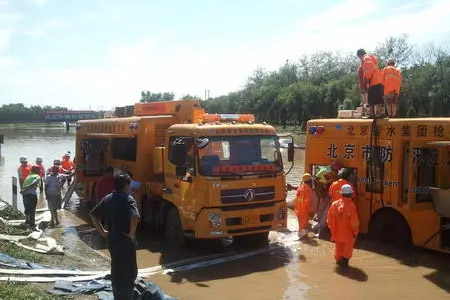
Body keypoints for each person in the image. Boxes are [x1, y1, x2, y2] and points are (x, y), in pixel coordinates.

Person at [90, 173, 140, 300]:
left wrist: (102, 232)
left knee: (116, 271)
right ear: (126, 185)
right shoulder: (128, 199)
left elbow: (93, 215)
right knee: (129, 274)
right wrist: (131, 234)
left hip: (112, 242)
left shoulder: (107, 198)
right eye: (130, 184)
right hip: (126, 242)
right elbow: (134, 217)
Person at [327, 184, 360, 267]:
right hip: (347, 235)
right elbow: (354, 223)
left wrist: (333, 230)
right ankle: (345, 269)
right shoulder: (351, 206)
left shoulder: (334, 204)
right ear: (351, 194)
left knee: (338, 253)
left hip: (337, 235)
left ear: (341, 194)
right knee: (346, 254)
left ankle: (339, 269)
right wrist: (355, 233)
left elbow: (329, 220)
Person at [357, 49, 384, 118]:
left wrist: (368, 79)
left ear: (360, 55)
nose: (360, 59)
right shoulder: (372, 57)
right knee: (378, 99)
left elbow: (369, 69)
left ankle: (371, 114)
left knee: (371, 99)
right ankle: (380, 114)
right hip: (378, 79)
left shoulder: (366, 58)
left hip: (373, 80)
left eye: (359, 57)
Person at [294, 173, 313, 239]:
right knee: (304, 226)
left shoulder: (300, 186)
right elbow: (308, 202)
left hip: (298, 209)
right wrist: (310, 212)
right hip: (304, 210)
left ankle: (300, 236)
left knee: (301, 225)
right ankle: (303, 238)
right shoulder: (308, 190)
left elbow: (297, 195)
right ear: (309, 181)